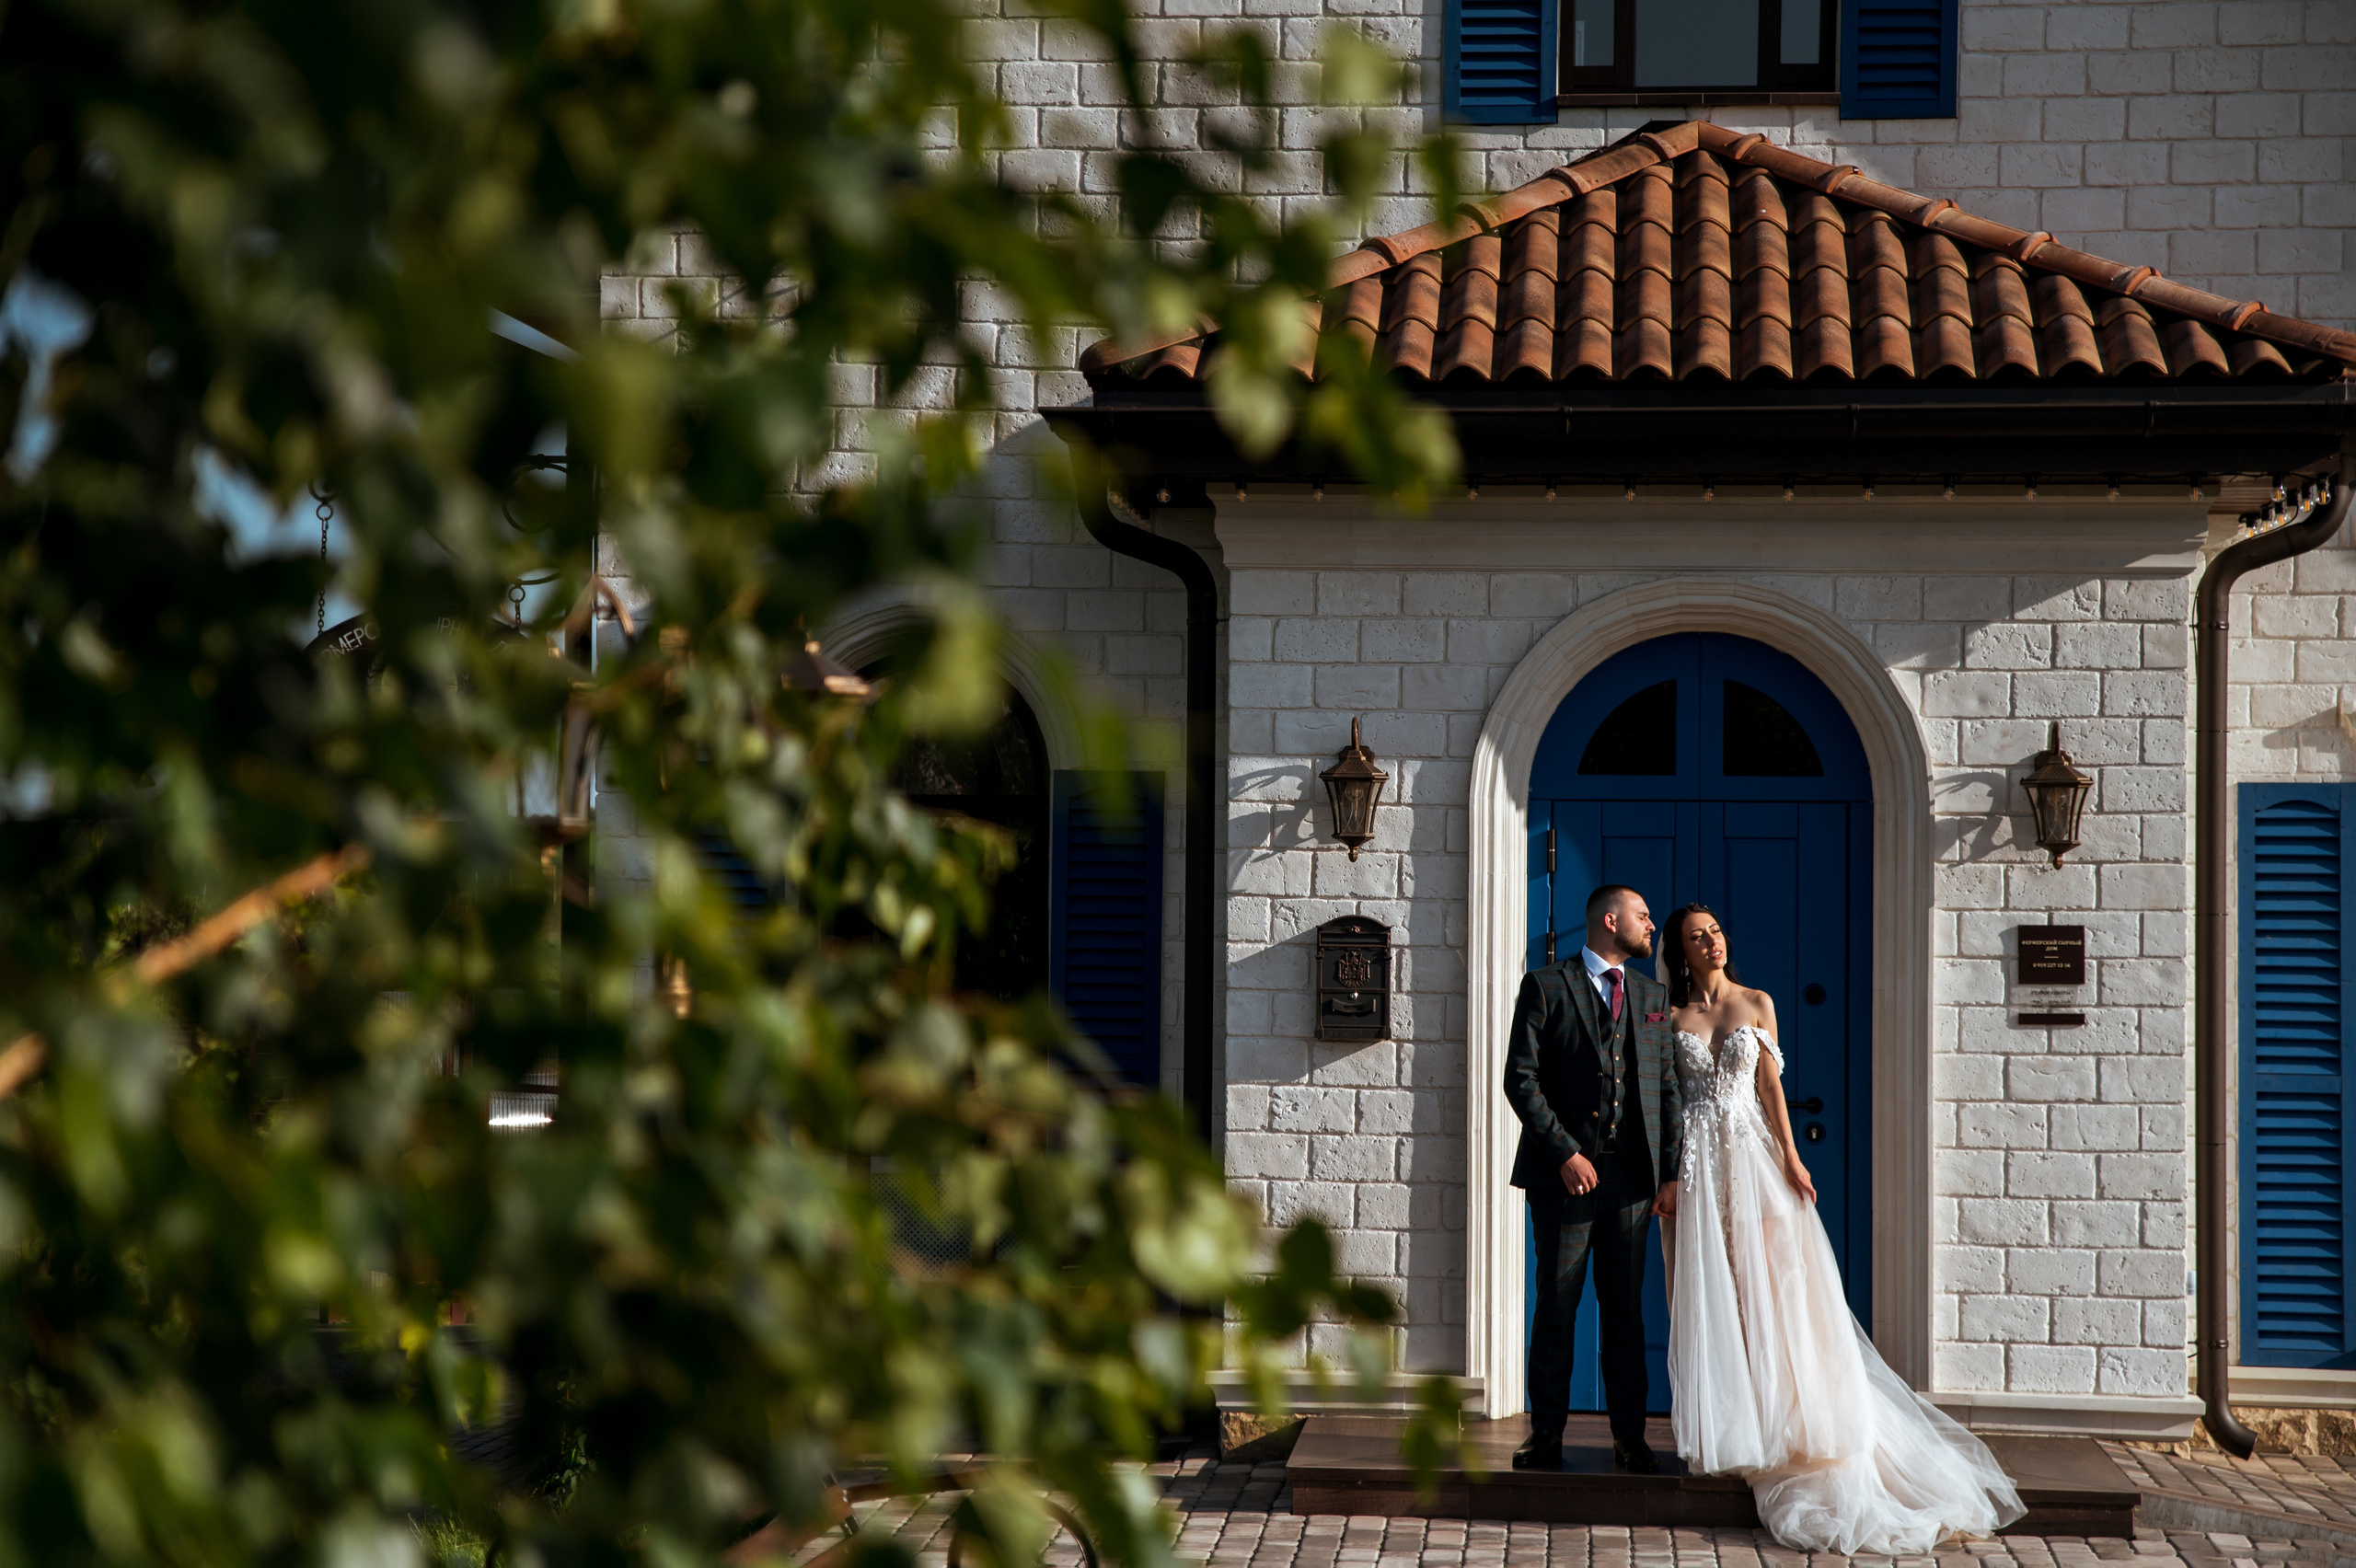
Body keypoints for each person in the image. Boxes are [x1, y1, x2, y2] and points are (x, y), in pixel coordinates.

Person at [1661, 903, 2024, 1552]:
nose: (1711, 942)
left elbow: (1770, 1088)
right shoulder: (1673, 1017)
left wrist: (1794, 1159)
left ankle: (1789, 1425)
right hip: (1699, 1169)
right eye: (1696, 937)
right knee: (1721, 1300)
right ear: (1679, 951)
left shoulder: (1757, 1001)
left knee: (1776, 1293)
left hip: (1755, 1162)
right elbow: (1665, 1100)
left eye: (1715, 931)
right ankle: (1734, 1429)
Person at [1501, 883, 1683, 1473]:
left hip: (1632, 1184)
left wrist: (1671, 1173)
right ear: (1610, 920)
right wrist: (1565, 1152)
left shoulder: (1652, 995)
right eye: (1643, 914)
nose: (1651, 924)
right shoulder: (1546, 986)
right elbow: (1520, 1080)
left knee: (1625, 1313)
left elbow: (1666, 1089)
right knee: (1556, 1307)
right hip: (1563, 1181)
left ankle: (1632, 1441)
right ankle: (1544, 1437)